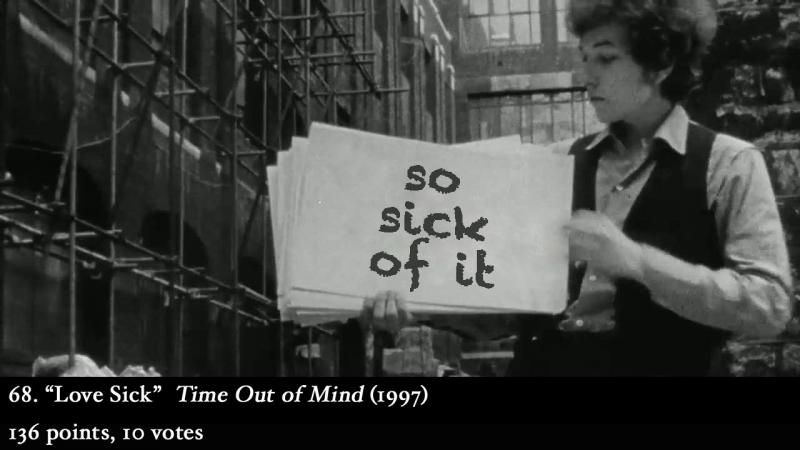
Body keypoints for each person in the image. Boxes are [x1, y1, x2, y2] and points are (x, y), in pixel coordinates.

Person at [361, 0, 795, 376]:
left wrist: (638, 262)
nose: (587, 75)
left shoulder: (729, 164)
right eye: (585, 57)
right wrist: (419, 304)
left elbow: (769, 305)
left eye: (605, 59)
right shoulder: (555, 163)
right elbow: (510, 310)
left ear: (661, 63)